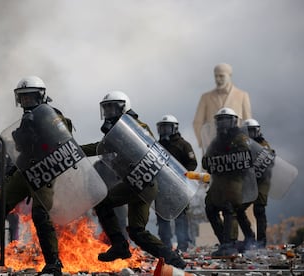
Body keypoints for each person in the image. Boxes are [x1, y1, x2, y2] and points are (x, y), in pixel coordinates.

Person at [0, 76, 71, 276]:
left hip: (45, 170)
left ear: (41, 96)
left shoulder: (53, 115)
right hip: (27, 169)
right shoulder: (27, 118)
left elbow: (62, 142)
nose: (27, 102)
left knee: (40, 215)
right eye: (23, 98)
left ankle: (54, 263)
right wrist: (13, 168)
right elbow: (24, 150)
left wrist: (40, 132)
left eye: (31, 97)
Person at [81, 91, 186, 269]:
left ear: (124, 107)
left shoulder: (135, 127)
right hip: (142, 183)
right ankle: (173, 259)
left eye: (113, 107)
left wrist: (74, 150)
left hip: (141, 182)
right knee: (137, 232)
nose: (109, 112)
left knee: (102, 203)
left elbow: (101, 147)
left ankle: (119, 245)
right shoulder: (121, 130)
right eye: (106, 108)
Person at [202, 107, 255, 256]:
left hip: (235, 181)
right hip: (218, 182)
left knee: (229, 207)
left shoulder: (241, 138)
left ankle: (229, 243)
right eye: (220, 120)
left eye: (226, 120)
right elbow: (206, 162)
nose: (223, 124)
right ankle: (224, 241)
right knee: (210, 208)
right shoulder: (215, 141)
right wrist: (213, 160)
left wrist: (228, 158)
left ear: (233, 121)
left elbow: (246, 159)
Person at [155, 115, 197, 252]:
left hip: (179, 188)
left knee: (180, 218)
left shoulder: (183, 145)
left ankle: (182, 245)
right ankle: (165, 246)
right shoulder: (157, 146)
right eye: (161, 128)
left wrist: (182, 174)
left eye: (166, 127)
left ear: (174, 128)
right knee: (162, 218)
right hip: (162, 188)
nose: (164, 131)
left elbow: (193, 163)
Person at [193, 63, 252, 149]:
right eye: (216, 76)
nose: (217, 79)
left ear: (229, 76)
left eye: (221, 76)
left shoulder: (242, 95)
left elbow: (247, 122)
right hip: (213, 147)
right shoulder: (205, 97)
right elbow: (197, 123)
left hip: (236, 146)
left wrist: (246, 143)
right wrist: (204, 143)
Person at [236, 119, 274, 249]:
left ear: (257, 131)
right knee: (238, 209)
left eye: (252, 131)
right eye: (247, 132)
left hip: (262, 182)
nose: (250, 134)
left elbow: (269, 162)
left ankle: (261, 242)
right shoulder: (241, 146)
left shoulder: (264, 146)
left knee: (259, 209)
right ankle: (249, 237)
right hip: (249, 183)